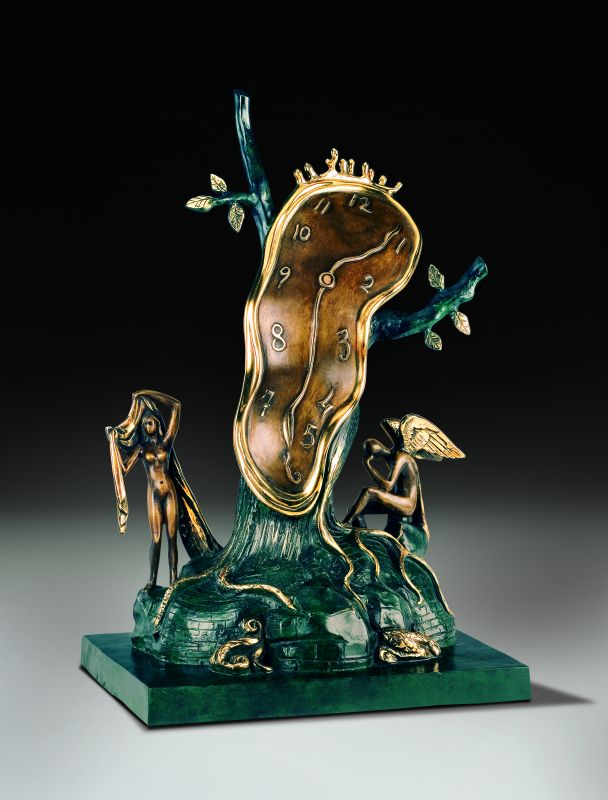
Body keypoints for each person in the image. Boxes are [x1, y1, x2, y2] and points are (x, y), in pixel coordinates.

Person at [106, 390, 220, 590]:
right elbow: (123, 469)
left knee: (172, 537)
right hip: (154, 495)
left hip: (169, 493)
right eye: (144, 423)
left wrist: (147, 393)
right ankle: (152, 580)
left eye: (150, 422)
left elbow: (176, 406)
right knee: (156, 539)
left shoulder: (166, 444)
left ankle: (173, 579)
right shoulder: (141, 449)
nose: (147, 425)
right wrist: (114, 442)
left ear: (158, 424)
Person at [343, 413, 464, 555]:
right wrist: (374, 448)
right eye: (418, 438)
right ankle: (364, 542)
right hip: (401, 501)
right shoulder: (396, 455)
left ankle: (344, 524)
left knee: (368, 492)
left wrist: (367, 464)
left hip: (406, 504)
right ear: (409, 436)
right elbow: (384, 442)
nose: (419, 443)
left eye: (423, 442)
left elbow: (387, 486)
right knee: (357, 510)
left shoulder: (402, 457)